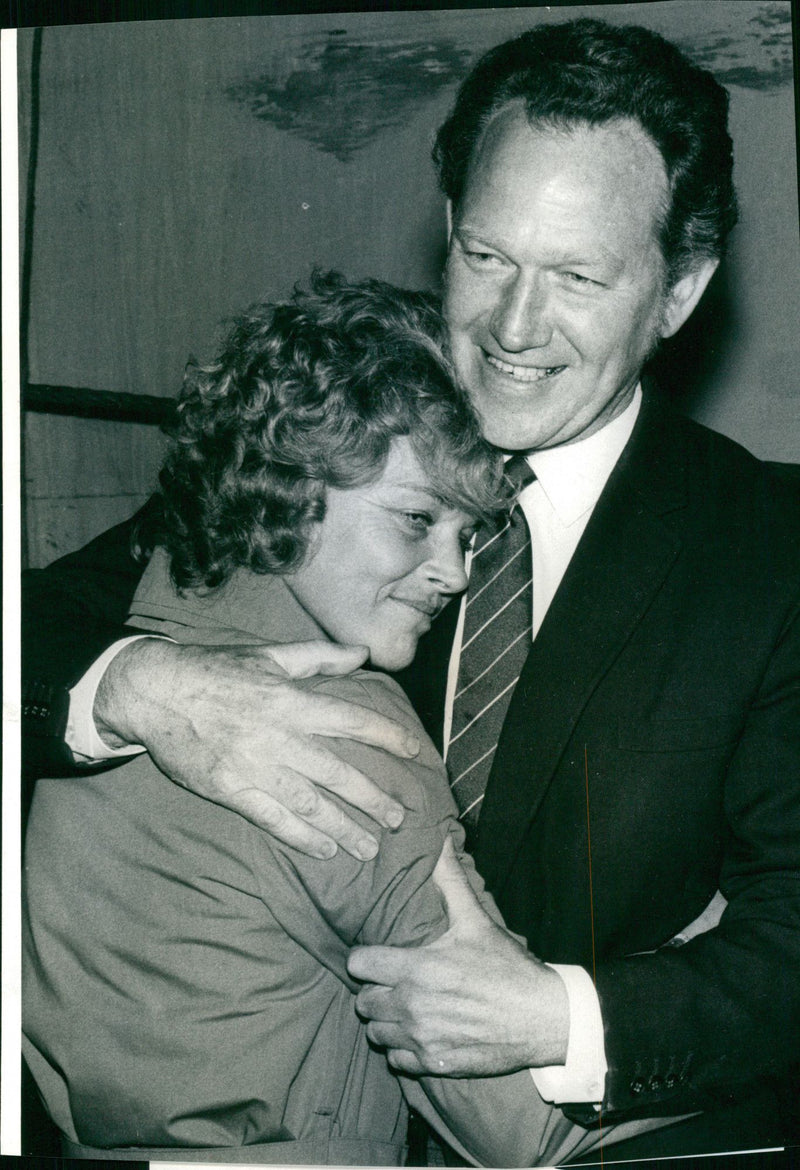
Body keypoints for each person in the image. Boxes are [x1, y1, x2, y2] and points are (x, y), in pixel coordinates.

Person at [21, 17, 800, 1162]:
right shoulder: (328, 453)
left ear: (678, 291)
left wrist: (570, 1018)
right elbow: (34, 622)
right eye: (485, 259)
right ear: (445, 232)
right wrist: (144, 687)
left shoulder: (770, 548)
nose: (514, 329)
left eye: (576, 276)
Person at [26, 271, 650, 1166]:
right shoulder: (334, 723)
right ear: (286, 488)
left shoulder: (122, 665)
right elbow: (526, 1129)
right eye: (415, 519)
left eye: (466, 532)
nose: (456, 571)